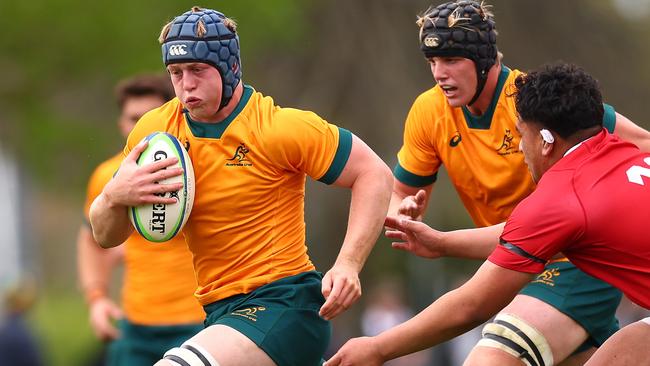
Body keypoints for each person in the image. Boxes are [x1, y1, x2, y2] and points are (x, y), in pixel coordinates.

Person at [347, 1, 649, 365]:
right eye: (432, 62)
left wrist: (377, 348)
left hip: (570, 263)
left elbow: (471, 305)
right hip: (520, 257)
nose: (440, 73)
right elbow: (402, 194)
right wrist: (408, 218)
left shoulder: (539, 103)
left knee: (493, 357)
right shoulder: (429, 112)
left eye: (452, 60)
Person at [89, 6, 393, 366]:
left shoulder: (277, 128)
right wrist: (113, 196)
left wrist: (348, 264)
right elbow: (105, 236)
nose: (186, 84)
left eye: (198, 70)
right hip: (220, 313)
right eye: (176, 72)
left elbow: (374, 173)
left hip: (286, 305)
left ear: (230, 67)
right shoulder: (156, 132)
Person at [77, 74, 205, 366]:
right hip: (135, 325)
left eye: (149, 117)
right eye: (133, 118)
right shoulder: (106, 177)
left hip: (200, 323)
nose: (140, 127)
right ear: (121, 124)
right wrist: (96, 299)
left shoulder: (200, 171)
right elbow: (90, 239)